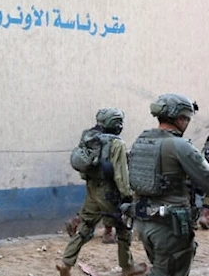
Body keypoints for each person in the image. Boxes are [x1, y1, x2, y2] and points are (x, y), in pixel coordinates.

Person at [56, 108, 147, 276]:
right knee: (123, 229)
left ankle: (66, 262)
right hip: (110, 192)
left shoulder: (90, 138)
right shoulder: (116, 143)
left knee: (86, 226)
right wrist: (127, 195)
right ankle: (127, 266)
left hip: (92, 188)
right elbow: (121, 174)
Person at [129, 94, 209, 276]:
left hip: (144, 223)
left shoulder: (142, 141)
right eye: (187, 119)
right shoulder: (179, 146)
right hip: (170, 228)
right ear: (180, 119)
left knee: (161, 268)